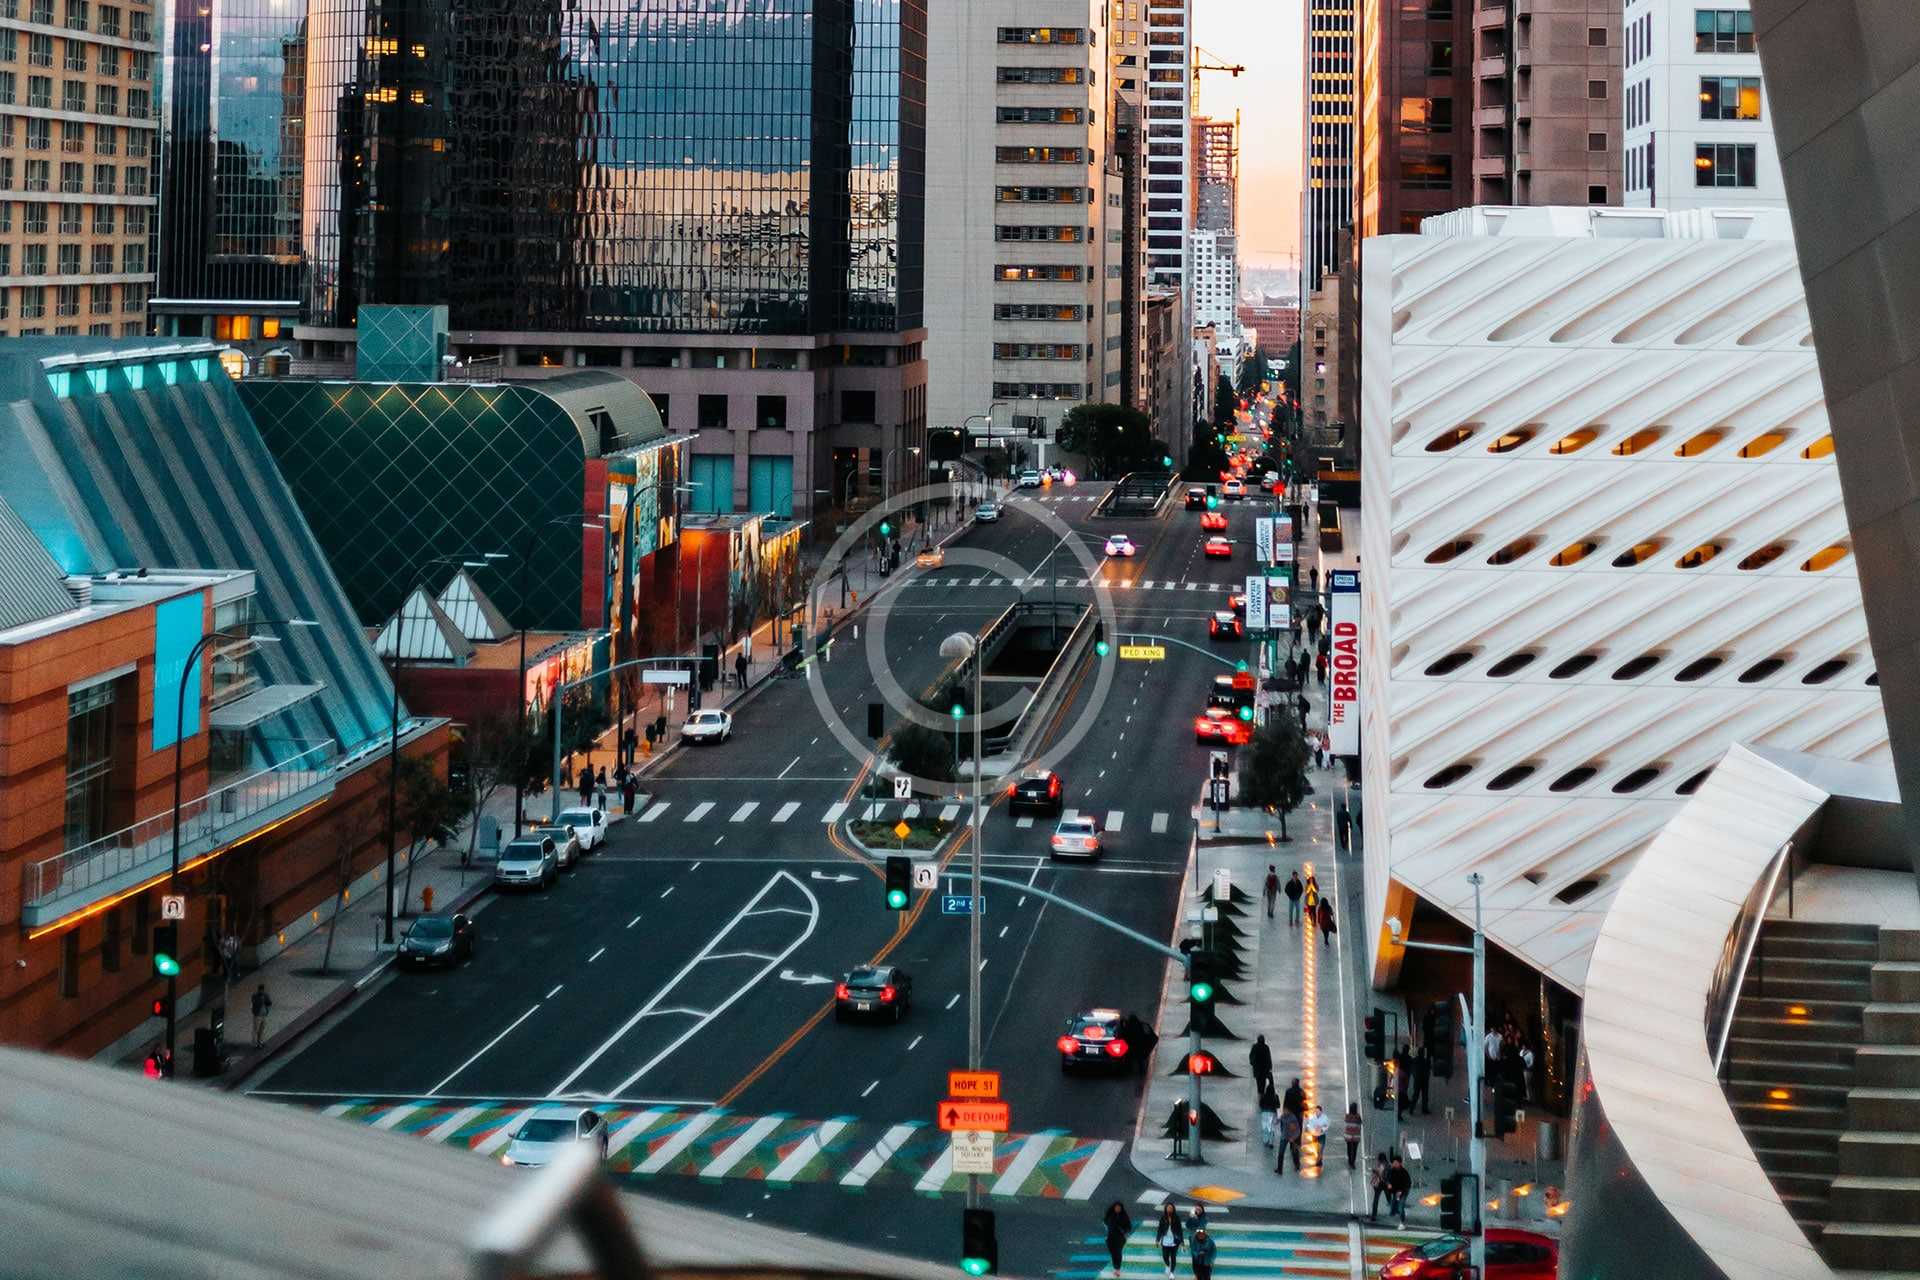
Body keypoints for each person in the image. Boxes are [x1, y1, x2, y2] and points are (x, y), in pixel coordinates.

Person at [1103, 1201, 1132, 1276]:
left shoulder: (1124, 1216)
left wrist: (1123, 1230)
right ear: (1113, 1208)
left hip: (1120, 1238)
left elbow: (1129, 1227)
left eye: (1119, 1207)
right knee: (1113, 1253)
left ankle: (1117, 1269)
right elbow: (1105, 1224)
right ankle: (1115, 1267)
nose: (1118, 1209)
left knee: (1118, 1252)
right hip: (1110, 1238)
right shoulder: (1109, 1215)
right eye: (1116, 1207)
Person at [1155, 1203, 1184, 1278]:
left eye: (1171, 1208)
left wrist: (1182, 1242)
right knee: (1165, 1256)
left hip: (1174, 1240)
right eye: (1168, 1208)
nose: (1170, 1209)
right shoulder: (1163, 1218)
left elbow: (1180, 1230)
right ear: (1166, 1209)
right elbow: (1160, 1229)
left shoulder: (1176, 1218)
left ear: (1173, 1209)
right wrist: (1157, 1240)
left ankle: (1172, 1273)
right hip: (1165, 1240)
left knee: (1173, 1257)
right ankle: (1167, 1266)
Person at [1388, 1155, 1413, 1226]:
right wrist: (1389, 1184)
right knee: (1394, 1203)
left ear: (1400, 1163)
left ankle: (1402, 1221)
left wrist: (1401, 1191)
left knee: (1401, 1206)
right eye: (1393, 1163)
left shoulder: (1404, 1172)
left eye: (1396, 1163)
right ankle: (1394, 1212)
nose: (1394, 1164)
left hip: (1403, 1191)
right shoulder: (1392, 1171)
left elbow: (1407, 1183)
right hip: (1396, 1191)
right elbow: (1389, 1179)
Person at [1247, 1034, 1273, 1101]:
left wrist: (1252, 1063)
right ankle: (1262, 1096)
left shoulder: (1255, 1047)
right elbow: (1268, 1058)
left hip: (1257, 1069)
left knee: (1259, 1083)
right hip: (1264, 1069)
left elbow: (1251, 1056)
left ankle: (1260, 1097)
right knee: (1263, 1083)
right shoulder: (1266, 1047)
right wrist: (1270, 1068)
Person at [1277, 1108, 1303, 1173]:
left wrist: (1293, 1138)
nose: (1284, 1111)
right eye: (1283, 1110)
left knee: (1295, 1152)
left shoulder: (1293, 1118)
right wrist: (1277, 1120)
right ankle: (1279, 1169)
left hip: (1292, 1138)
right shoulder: (1283, 1116)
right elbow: (1279, 1120)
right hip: (1284, 1137)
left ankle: (1297, 1166)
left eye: (1285, 1110)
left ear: (1289, 1111)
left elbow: (1298, 1130)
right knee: (1281, 1153)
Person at [1410, 1043, 1432, 1115]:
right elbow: (1429, 1068)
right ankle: (1424, 1109)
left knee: (1416, 1094)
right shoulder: (1426, 1061)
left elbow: (1412, 1068)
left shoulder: (1414, 1060)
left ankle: (1412, 1108)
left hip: (1417, 1079)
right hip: (1424, 1079)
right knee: (1424, 1095)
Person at [1367, 1152, 1390, 1222]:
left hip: (1380, 1184)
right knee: (1389, 1198)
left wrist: (1374, 1171)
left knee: (1376, 1200)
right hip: (1386, 1184)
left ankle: (1374, 1216)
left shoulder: (1381, 1165)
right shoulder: (1388, 1165)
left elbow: (1380, 1174)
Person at [1258, 1080, 1281, 1149]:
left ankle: (1265, 1141)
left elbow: (1260, 1105)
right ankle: (1271, 1142)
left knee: (1265, 1128)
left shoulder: (1264, 1096)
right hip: (1273, 1113)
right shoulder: (1275, 1096)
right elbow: (1278, 1105)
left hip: (1264, 1113)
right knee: (1272, 1128)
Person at [1343, 1102, 1363, 1170]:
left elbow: (1345, 1122)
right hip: (1356, 1136)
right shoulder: (1358, 1117)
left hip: (1348, 1135)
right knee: (1354, 1150)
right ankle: (1353, 1162)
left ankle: (1349, 1161)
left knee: (1349, 1148)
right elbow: (1360, 1123)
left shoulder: (1347, 1116)